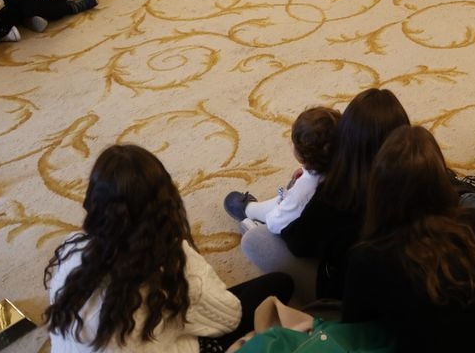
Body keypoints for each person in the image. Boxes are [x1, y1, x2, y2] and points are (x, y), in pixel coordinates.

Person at [44, 144, 293, 352]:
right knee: (280, 283)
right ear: (166, 202)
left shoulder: (72, 250)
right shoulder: (173, 262)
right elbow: (229, 318)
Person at [342, 125, 475, 352]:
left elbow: (353, 330)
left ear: (378, 188)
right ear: (442, 181)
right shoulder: (474, 223)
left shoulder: (368, 258)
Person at [261, 88, 410, 301]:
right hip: (404, 282)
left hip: (350, 296)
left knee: (255, 239)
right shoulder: (422, 174)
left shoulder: (335, 195)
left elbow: (298, 244)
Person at [225, 106, 342, 232]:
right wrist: (306, 170)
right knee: (294, 184)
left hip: (300, 229)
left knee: (255, 235)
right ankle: (278, 204)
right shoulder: (350, 166)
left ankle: (252, 214)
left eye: (293, 143)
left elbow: (275, 223)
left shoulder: (303, 191)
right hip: (323, 207)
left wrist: (276, 214)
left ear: (302, 156)